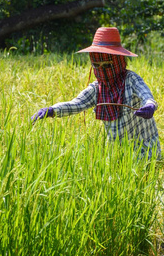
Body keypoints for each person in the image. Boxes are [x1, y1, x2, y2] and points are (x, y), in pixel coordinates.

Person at [31, 27, 161, 159]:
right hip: (119, 156)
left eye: (107, 65)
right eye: (96, 65)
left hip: (147, 151)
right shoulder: (97, 89)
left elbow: (145, 94)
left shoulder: (131, 79)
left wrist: (150, 105)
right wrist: (52, 110)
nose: (102, 70)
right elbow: (76, 104)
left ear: (119, 61)